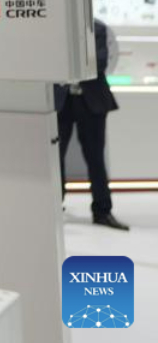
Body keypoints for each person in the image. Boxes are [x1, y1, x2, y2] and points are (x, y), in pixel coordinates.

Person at [55, 19, 128, 231]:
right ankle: (54, 206)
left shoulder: (98, 28)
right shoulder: (56, 27)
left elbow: (99, 62)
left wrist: (68, 65)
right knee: (54, 157)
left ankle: (102, 210)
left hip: (91, 101)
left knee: (95, 157)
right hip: (62, 101)